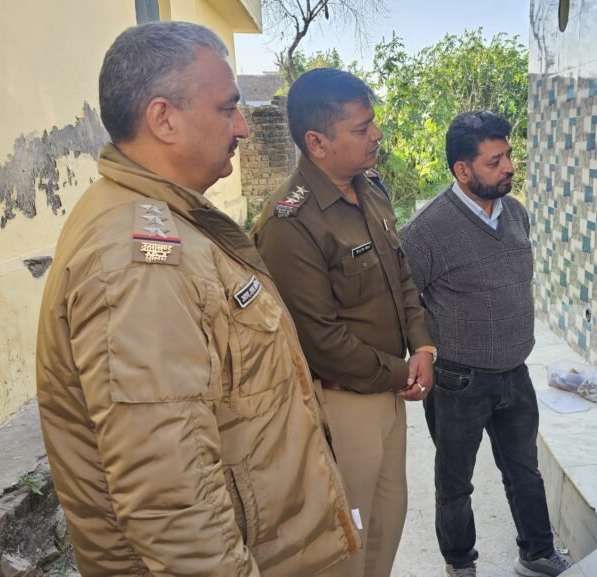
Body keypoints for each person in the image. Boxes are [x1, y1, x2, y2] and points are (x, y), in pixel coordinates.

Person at [36, 22, 358, 577]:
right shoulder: (139, 262)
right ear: (164, 119)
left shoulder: (166, 219)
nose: (243, 128)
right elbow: (171, 498)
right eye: (228, 108)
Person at [252, 68, 435, 577]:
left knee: (387, 523)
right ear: (317, 142)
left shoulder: (369, 189)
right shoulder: (290, 223)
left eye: (372, 122)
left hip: (389, 393)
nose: (377, 134)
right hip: (341, 405)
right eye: (361, 128)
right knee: (344, 543)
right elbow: (321, 341)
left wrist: (423, 346)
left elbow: (401, 275)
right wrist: (402, 373)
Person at [400, 111, 571, 577]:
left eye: (509, 156)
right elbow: (403, 299)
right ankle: (460, 563)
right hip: (458, 381)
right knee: (455, 481)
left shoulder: (515, 213)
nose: (509, 167)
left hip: (516, 374)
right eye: (495, 162)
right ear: (462, 170)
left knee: (525, 471)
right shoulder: (427, 230)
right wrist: (421, 353)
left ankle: (536, 554)